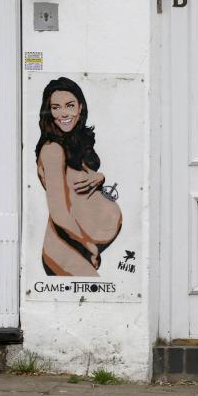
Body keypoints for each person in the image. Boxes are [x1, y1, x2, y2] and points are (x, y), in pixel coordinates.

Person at [35, 77, 122, 276]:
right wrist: (88, 245)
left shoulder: (72, 142)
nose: (63, 113)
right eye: (55, 107)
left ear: (80, 107)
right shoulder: (52, 150)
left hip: (78, 243)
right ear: (48, 111)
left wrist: (99, 177)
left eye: (69, 105)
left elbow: (78, 179)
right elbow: (59, 212)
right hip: (66, 247)